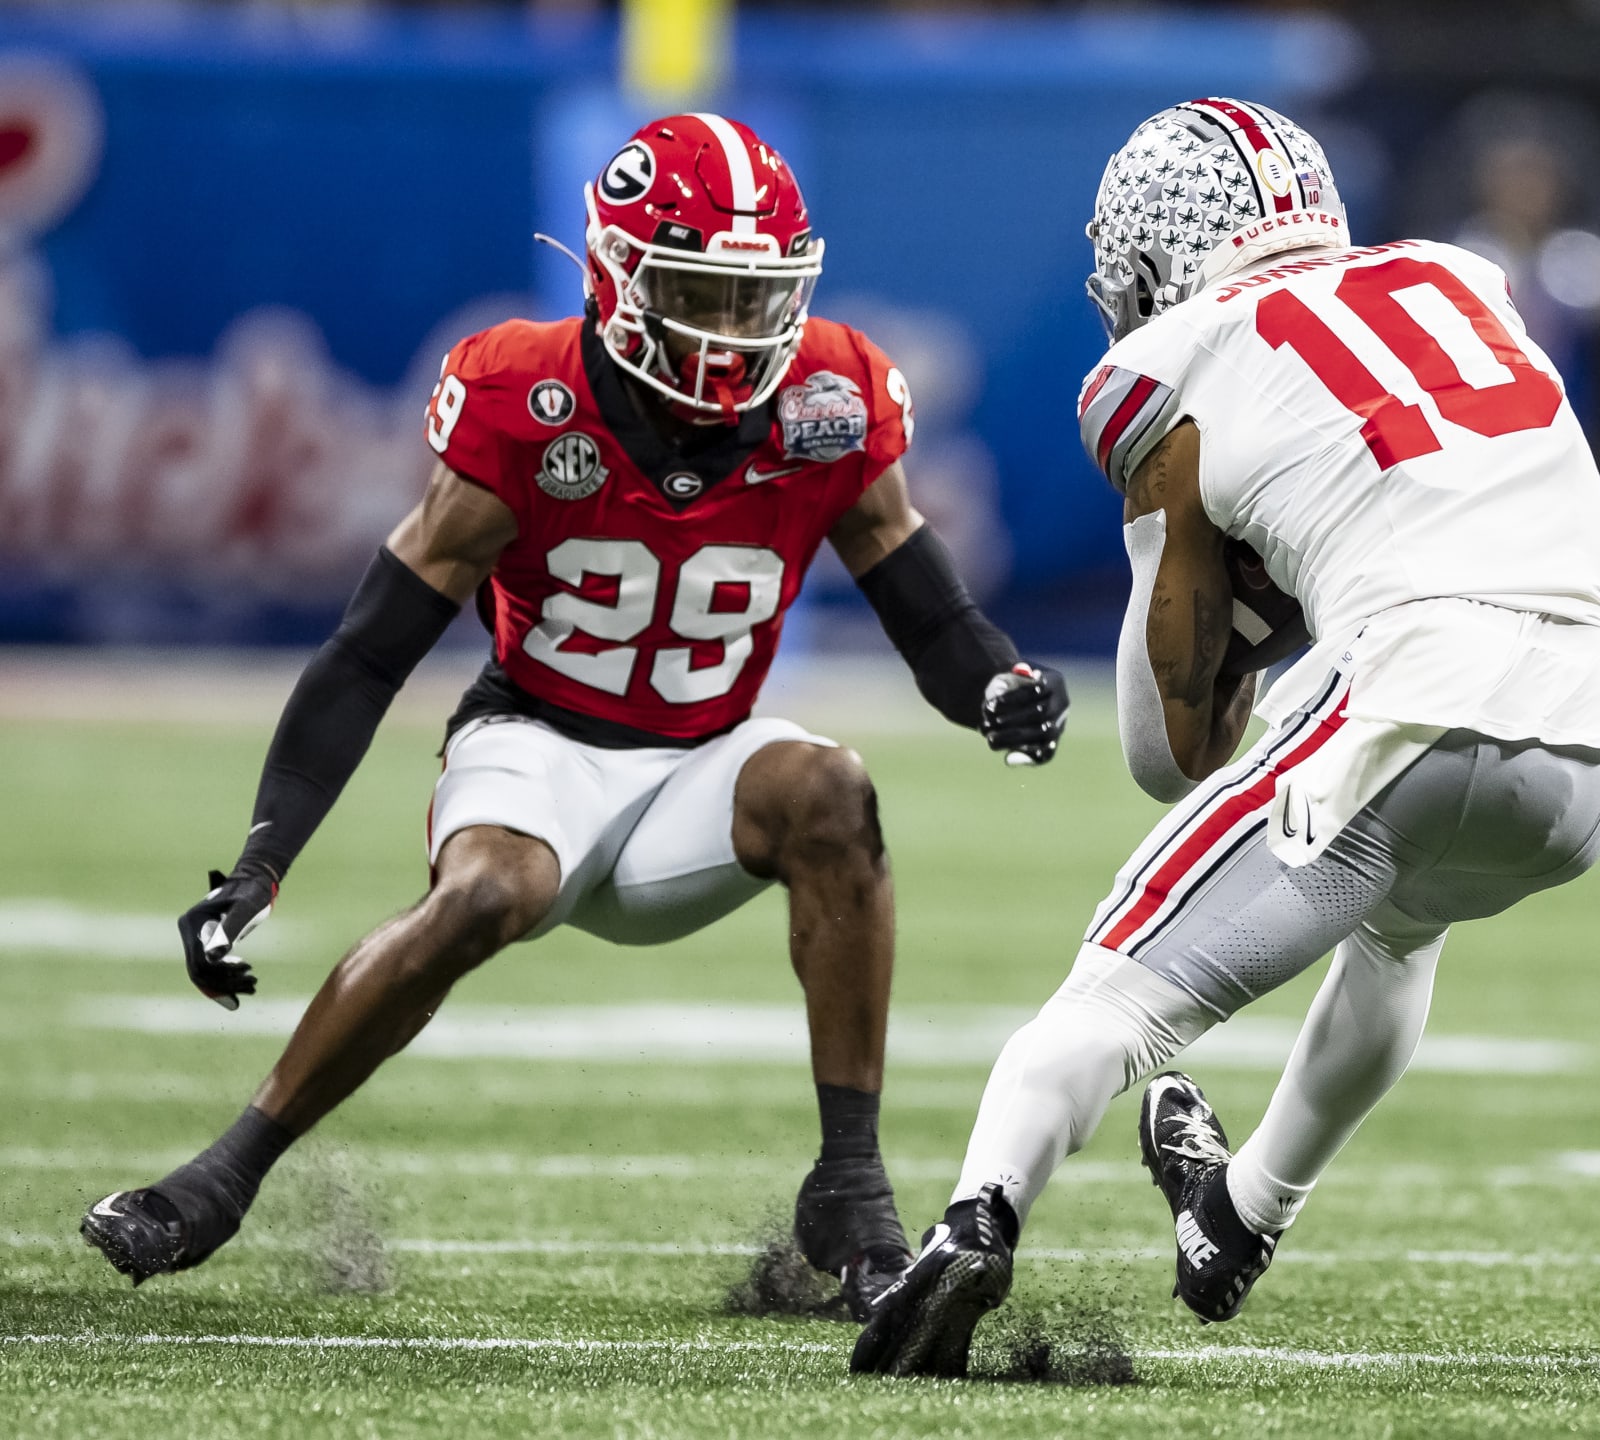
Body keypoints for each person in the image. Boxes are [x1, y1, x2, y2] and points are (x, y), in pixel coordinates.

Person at [79, 113, 1069, 1320]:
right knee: (491, 892)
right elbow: (369, 652)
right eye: (704, 292)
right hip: (538, 745)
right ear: (619, 278)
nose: (737, 332)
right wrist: (265, 856)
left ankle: (853, 1191)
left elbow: (924, 605)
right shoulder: (523, 397)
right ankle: (226, 1173)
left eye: (760, 299)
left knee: (832, 789)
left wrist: (997, 685)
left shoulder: (831, 396)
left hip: (704, 767)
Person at [851, 96, 1600, 1377]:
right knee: (1403, 928)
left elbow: (1159, 747)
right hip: (1597, 744)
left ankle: (977, 1217)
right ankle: (1239, 1216)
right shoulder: (1464, 278)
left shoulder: (1160, 365)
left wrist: (1208, 569)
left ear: (1154, 253)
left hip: (1404, 697)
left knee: (1115, 998)